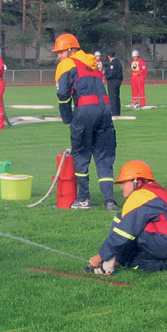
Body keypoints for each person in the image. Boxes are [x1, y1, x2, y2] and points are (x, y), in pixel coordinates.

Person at [85, 160, 167, 275]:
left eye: (124, 182)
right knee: (132, 260)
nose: (121, 187)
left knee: (121, 220)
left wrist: (101, 256)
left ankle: (107, 265)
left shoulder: (140, 196)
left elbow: (123, 232)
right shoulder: (158, 190)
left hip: (164, 241)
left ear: (137, 182)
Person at [52, 33, 118, 211]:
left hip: (85, 110)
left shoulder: (66, 65)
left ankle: (83, 198)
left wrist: (67, 118)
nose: (58, 56)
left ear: (71, 50)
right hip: (105, 110)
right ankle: (109, 200)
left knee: (81, 154)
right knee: (104, 156)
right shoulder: (92, 63)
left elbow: (63, 94)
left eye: (61, 52)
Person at [103, 50, 125, 117]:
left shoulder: (113, 63)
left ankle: (114, 113)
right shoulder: (118, 62)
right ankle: (117, 112)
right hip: (117, 81)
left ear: (109, 56)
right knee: (117, 97)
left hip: (113, 82)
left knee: (113, 98)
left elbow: (111, 74)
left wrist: (106, 74)